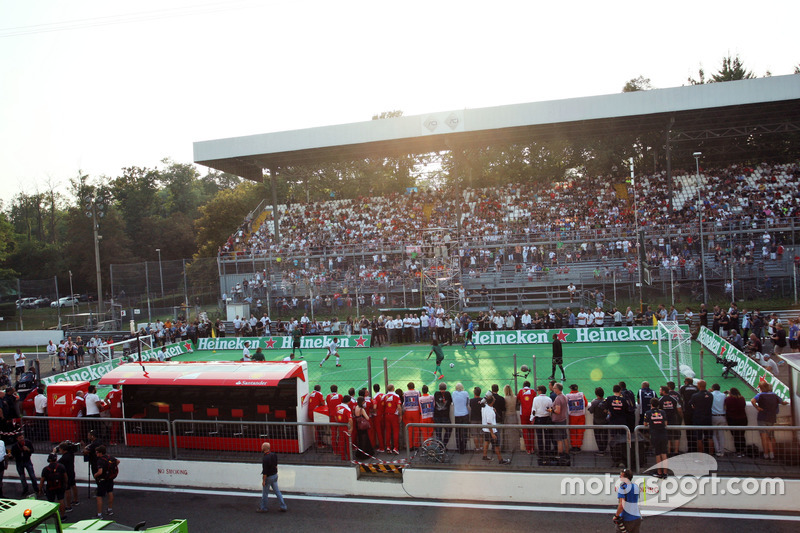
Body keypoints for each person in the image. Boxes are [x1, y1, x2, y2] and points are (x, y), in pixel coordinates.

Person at [751, 381, 788, 460]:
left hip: (762, 418)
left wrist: (757, 407)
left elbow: (752, 401)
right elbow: (782, 402)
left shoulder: (760, 395)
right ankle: (772, 454)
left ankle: (766, 454)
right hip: (771, 418)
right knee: (770, 437)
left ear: (760, 388)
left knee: (764, 437)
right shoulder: (774, 395)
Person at [257, 442, 287, 513]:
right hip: (275, 475)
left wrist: (263, 481)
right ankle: (283, 506)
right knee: (277, 491)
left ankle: (263, 508)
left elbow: (265, 472)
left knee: (265, 493)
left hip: (269, 477)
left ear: (264, 448)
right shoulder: (274, 455)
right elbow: (276, 465)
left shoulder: (265, 458)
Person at [481, 394, 510, 464]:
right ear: (492, 402)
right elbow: (489, 423)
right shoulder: (490, 412)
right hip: (492, 431)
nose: (495, 400)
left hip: (485, 430)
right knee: (497, 445)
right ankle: (500, 460)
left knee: (486, 441)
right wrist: (492, 433)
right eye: (494, 399)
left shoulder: (484, 408)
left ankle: (484, 456)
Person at [644, 398, 668, 478]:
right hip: (663, 434)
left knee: (658, 454)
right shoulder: (662, 412)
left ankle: (659, 472)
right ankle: (665, 472)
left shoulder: (648, 413)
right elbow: (665, 423)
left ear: (651, 404)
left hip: (655, 435)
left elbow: (645, 424)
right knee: (664, 453)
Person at [93, 445, 119, 518]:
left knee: (99, 496)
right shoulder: (111, 457)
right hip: (110, 478)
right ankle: (110, 509)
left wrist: (95, 475)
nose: (96, 454)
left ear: (100, 453)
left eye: (97, 452)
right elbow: (118, 461)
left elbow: (100, 472)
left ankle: (99, 514)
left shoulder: (100, 461)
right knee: (110, 492)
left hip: (102, 480)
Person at [725, 388, 747, 457]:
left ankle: (738, 451)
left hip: (733, 419)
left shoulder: (728, 399)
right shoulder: (742, 398)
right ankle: (742, 450)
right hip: (743, 419)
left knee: (736, 436)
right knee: (741, 435)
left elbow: (726, 406)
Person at [566, 384, 588, 452]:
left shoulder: (568, 396)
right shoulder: (581, 395)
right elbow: (586, 404)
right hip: (581, 415)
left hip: (572, 416)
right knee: (580, 431)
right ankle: (578, 446)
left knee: (572, 431)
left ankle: (573, 446)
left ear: (571, 389)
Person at [58, 441, 79, 510]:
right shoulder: (71, 454)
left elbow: (56, 463)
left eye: (60, 449)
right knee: (73, 485)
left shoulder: (64, 458)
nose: (59, 450)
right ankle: (76, 500)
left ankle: (68, 506)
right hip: (72, 472)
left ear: (63, 449)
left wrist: (53, 452)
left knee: (67, 489)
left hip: (67, 475)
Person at [588, 387, 609, 456]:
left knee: (598, 436)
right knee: (605, 436)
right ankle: (604, 450)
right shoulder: (606, 402)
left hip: (597, 422)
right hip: (605, 421)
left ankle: (601, 450)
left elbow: (590, 411)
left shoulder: (594, 402)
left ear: (596, 394)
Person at [517, 381, 536, 454]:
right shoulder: (533, 391)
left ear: (523, 385)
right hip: (531, 414)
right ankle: (532, 448)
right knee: (531, 431)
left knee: (525, 431)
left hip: (523, 414)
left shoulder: (521, 391)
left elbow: (518, 401)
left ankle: (528, 449)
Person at [383, 385, 402, 455]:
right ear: (393, 388)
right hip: (394, 415)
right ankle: (395, 448)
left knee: (388, 431)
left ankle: (388, 447)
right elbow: (399, 407)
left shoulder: (385, 396)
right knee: (395, 431)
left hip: (386, 415)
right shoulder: (396, 396)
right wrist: (400, 415)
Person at [451, 383, 469, 454]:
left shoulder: (454, 393)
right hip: (464, 414)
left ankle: (459, 448)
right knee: (464, 432)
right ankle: (463, 448)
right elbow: (467, 402)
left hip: (457, 415)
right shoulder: (465, 393)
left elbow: (453, 403)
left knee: (458, 432)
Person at [433, 382, 453, 446]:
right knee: (449, 429)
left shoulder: (436, 393)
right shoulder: (448, 394)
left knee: (438, 433)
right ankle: (443, 445)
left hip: (437, 416)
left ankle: (440, 447)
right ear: (446, 388)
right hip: (445, 416)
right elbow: (451, 402)